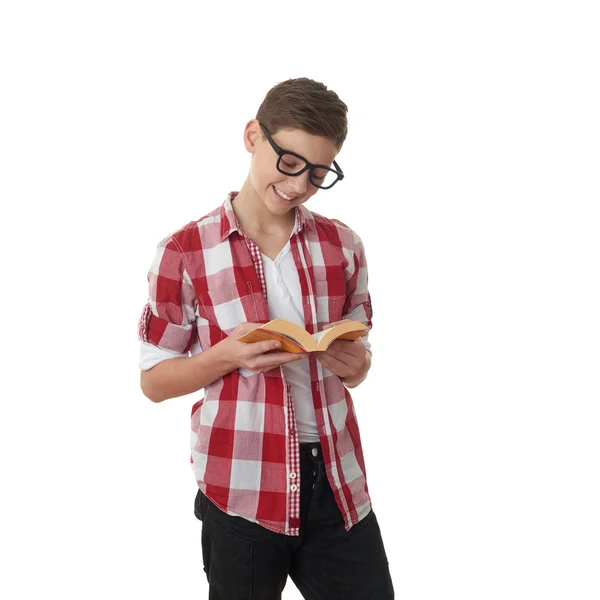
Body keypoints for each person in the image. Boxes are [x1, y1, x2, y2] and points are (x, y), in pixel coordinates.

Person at [137, 77, 394, 599]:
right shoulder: (184, 251)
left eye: (319, 173)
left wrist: (357, 365)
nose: (300, 185)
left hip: (337, 482)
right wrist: (226, 356)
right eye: (291, 162)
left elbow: (360, 359)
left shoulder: (342, 245)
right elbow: (154, 382)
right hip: (241, 487)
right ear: (254, 135)